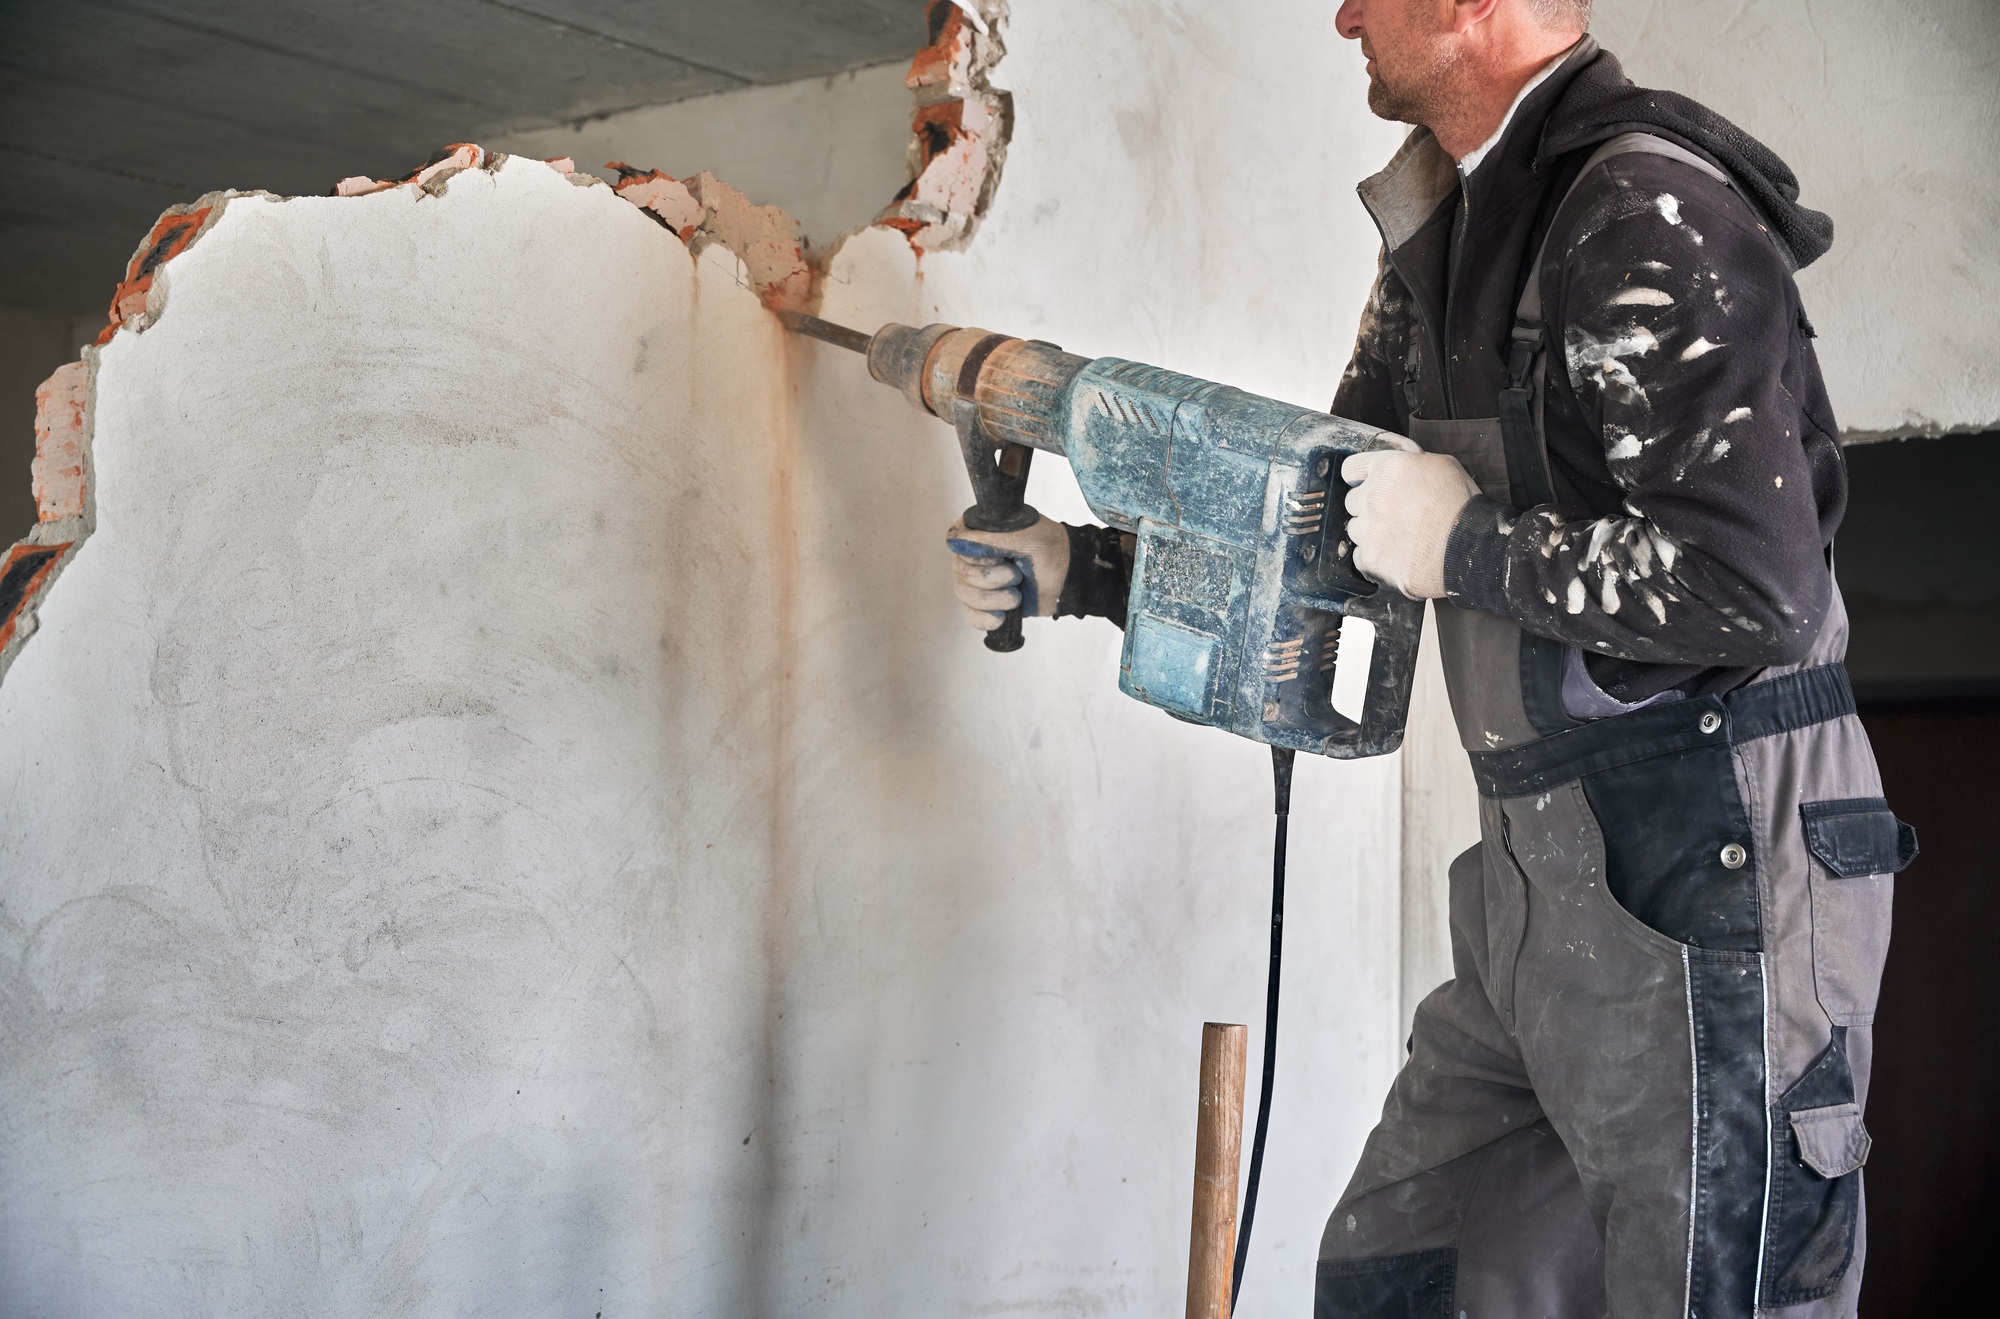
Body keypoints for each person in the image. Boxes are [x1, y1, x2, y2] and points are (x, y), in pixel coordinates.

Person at [946, 1, 1914, 1314]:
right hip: (1533, 873)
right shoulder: (1449, 235)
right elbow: (1338, 516)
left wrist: (1472, 551)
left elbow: (1756, 593)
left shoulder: (1641, 209)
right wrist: (1091, 568)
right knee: (1407, 1276)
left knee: (1712, 1292)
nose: (1342, 12)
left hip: (1713, 864)